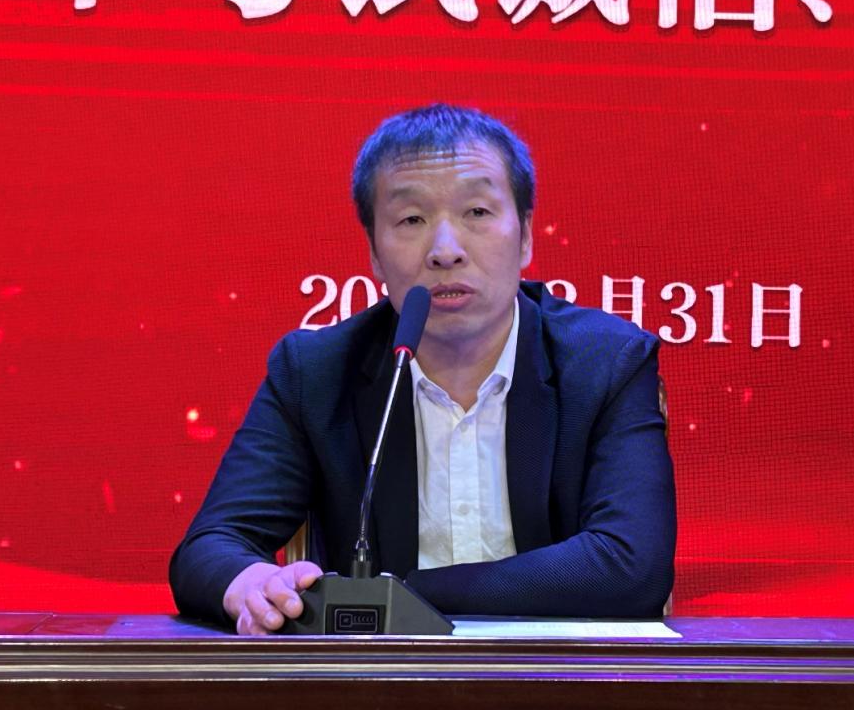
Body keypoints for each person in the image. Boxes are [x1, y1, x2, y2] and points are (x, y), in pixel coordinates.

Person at [169, 104, 676, 634]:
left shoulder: (605, 363)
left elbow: (631, 566)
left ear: (525, 234)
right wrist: (252, 584)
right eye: (412, 220)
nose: (445, 251)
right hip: (377, 679)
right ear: (374, 253)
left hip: (557, 675)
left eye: (477, 212)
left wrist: (399, 596)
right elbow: (210, 546)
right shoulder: (316, 373)